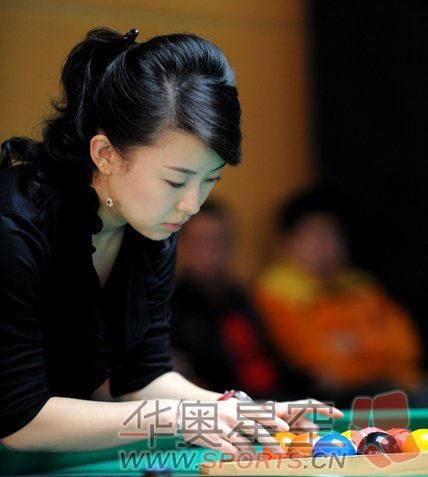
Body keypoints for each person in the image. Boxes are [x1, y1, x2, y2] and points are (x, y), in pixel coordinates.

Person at [0, 28, 341, 454]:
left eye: (210, 180)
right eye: (176, 181)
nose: (192, 204)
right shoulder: (14, 230)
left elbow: (144, 376)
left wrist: (247, 413)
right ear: (105, 154)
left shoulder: (151, 225)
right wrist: (180, 419)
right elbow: (19, 418)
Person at [254, 188, 425, 407]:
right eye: (316, 236)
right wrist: (373, 350)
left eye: (334, 235)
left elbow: (407, 347)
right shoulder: (275, 292)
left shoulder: (362, 286)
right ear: (287, 242)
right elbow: (315, 363)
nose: (327, 246)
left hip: (398, 385)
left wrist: (354, 346)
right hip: (330, 400)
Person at [171, 200, 289, 400]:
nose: (210, 250)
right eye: (200, 241)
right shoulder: (169, 307)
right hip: (218, 405)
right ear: (182, 245)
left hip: (272, 399)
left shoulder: (247, 298)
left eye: (218, 240)